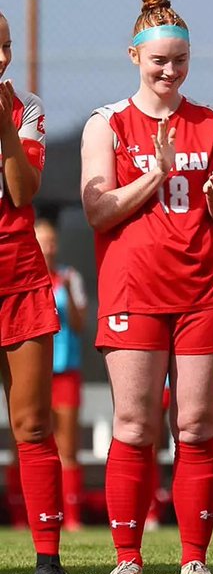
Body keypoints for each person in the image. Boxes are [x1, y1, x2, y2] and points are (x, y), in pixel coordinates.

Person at [80, 0, 213, 574]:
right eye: (159, 61)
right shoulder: (106, 124)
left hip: (203, 290)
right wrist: (156, 175)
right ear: (134, 57)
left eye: (179, 61)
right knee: (134, 425)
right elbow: (98, 211)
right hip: (133, 291)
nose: (170, 72)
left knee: (196, 427)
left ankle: (195, 559)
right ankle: (128, 558)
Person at [0, 9, 70, 574]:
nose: (2, 59)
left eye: (6, 47)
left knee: (31, 425)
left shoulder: (27, 108)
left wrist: (4, 130)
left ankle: (47, 555)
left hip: (19, 284)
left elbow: (23, 194)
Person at [34, 220, 89, 532]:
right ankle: (25, 517)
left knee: (68, 447)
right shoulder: (25, 277)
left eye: (52, 241)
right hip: (36, 372)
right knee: (28, 440)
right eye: (43, 241)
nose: (49, 247)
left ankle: (71, 516)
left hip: (65, 369)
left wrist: (67, 291)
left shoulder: (70, 277)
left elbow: (81, 326)